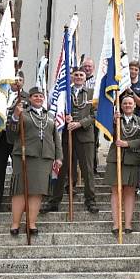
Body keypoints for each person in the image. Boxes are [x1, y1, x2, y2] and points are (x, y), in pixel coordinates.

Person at [8, 87, 63, 235]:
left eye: (40, 96)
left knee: (37, 191)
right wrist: (15, 116)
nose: (38, 98)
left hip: (44, 157)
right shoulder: (22, 113)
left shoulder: (50, 116)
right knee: (20, 190)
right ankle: (15, 224)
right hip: (24, 156)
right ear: (30, 98)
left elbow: (55, 138)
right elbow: (11, 134)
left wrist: (58, 157)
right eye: (35, 96)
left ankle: (31, 223)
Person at [43, 68, 99, 213]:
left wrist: (80, 123)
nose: (79, 77)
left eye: (81, 75)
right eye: (76, 75)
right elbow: (58, 110)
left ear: (85, 77)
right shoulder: (64, 93)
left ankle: (90, 200)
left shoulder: (92, 94)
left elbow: (96, 114)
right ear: (72, 77)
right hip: (67, 135)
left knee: (87, 170)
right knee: (62, 168)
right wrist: (65, 118)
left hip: (85, 136)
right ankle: (54, 201)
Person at [106, 94, 140, 234]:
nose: (128, 105)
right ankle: (116, 224)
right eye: (125, 104)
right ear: (121, 106)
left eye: (130, 103)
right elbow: (107, 135)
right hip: (115, 159)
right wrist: (112, 122)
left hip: (132, 159)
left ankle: (128, 224)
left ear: (135, 106)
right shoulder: (116, 119)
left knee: (129, 192)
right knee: (116, 191)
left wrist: (127, 144)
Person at [0, 72, 27, 212]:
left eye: (20, 80)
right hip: (0, 136)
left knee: (18, 172)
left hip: (17, 138)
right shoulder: (0, 95)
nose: (17, 82)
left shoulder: (27, 98)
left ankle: (16, 203)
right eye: (14, 79)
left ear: (23, 82)